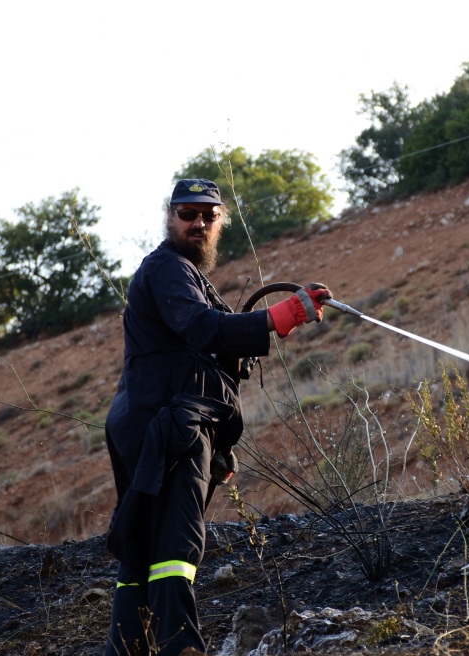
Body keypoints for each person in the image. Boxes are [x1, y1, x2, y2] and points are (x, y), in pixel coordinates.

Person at [103, 178, 331, 656]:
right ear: (170, 216)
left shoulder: (188, 276)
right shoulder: (167, 268)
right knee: (176, 546)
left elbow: (209, 354)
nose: (199, 223)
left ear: (220, 221)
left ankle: (126, 648)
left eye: (209, 215)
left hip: (153, 424)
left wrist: (220, 448)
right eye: (188, 213)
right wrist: (281, 315)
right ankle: (180, 648)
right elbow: (203, 328)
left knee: (140, 545)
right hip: (170, 425)